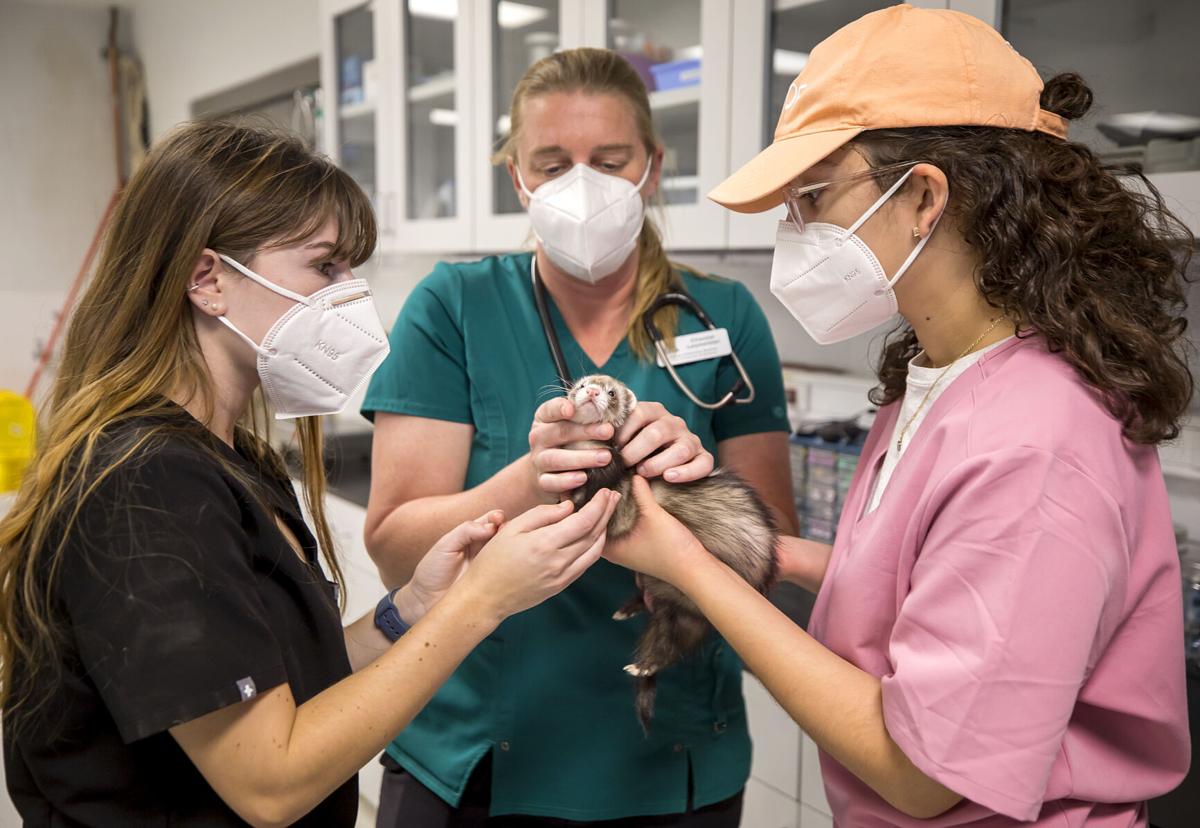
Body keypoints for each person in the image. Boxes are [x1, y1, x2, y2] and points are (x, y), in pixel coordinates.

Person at [605, 5, 1193, 826]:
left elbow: (923, 775)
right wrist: (744, 545)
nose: (794, 233)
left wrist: (691, 569)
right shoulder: (938, 373)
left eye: (811, 197)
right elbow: (908, 585)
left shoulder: (1037, 440)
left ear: (923, 195)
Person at [0, 120, 620, 828]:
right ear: (208, 280)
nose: (351, 295)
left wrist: (410, 610)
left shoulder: (231, 458)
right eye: (326, 267)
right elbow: (270, 783)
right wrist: (481, 602)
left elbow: (272, 686)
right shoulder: (143, 485)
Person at [362, 48, 797, 826]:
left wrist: (691, 491)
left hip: (671, 760)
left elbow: (775, 555)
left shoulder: (723, 316)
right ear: (518, 178)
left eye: (610, 159)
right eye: (553, 162)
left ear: (653, 169)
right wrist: (531, 479)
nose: (582, 185)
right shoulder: (453, 306)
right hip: (478, 758)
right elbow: (397, 550)